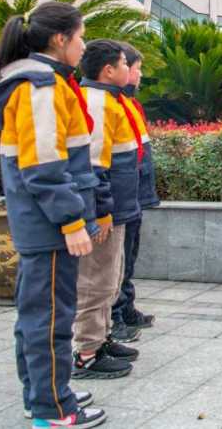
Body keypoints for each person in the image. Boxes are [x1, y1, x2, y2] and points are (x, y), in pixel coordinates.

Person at [0, 2, 106, 428]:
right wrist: (71, 222)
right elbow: (43, 166)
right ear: (60, 39)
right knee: (50, 319)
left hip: (42, 223)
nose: (83, 45)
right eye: (80, 36)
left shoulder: (42, 83)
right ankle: (54, 408)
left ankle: (45, 394)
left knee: (40, 314)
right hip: (48, 225)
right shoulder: (39, 86)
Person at [72, 40, 142, 378]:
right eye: (124, 64)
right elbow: (93, 166)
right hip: (106, 211)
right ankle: (86, 351)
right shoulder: (97, 104)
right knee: (95, 281)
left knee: (109, 279)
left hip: (120, 208)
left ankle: (101, 339)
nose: (130, 69)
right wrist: (100, 213)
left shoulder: (111, 101)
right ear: (108, 70)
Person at [110, 42, 158, 341]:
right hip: (121, 192)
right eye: (135, 68)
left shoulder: (129, 103)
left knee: (129, 254)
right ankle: (114, 316)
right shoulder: (109, 103)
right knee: (116, 258)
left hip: (135, 189)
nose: (138, 75)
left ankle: (126, 306)